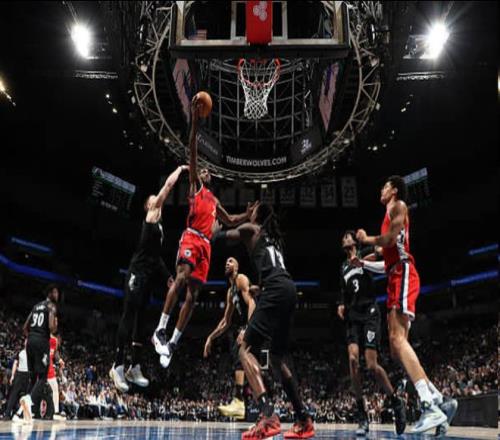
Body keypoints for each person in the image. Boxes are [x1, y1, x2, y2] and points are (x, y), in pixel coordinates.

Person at [153, 95, 257, 368]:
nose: (206, 171)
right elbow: (192, 150)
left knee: (193, 296)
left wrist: (247, 215)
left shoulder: (214, 201)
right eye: (204, 170)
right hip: (191, 237)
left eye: (209, 171)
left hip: (206, 247)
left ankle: (172, 342)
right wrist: (196, 124)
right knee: (181, 277)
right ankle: (160, 328)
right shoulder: (196, 187)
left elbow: (231, 219)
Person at [356, 176, 457, 434]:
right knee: (395, 348)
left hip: (403, 273)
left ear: (394, 190)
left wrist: (366, 239)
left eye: (384, 186)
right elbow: (385, 260)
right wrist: (363, 263)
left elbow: (390, 241)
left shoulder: (399, 206)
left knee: (397, 340)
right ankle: (440, 401)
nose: (381, 189)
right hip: (394, 275)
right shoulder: (388, 214)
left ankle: (428, 406)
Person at [215, 202, 314, 440]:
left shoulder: (252, 228)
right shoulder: (274, 240)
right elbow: (273, 268)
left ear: (257, 215)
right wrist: (262, 287)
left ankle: (268, 416)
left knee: (245, 350)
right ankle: (303, 420)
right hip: (289, 289)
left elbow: (220, 238)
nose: (249, 207)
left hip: (276, 290)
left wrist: (215, 229)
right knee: (277, 358)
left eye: (253, 207)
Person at [109, 164, 187, 392]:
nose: (158, 202)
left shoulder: (159, 229)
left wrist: (168, 277)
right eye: (154, 200)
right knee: (129, 315)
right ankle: (117, 365)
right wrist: (180, 169)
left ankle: (134, 366)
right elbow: (167, 187)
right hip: (137, 273)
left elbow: (156, 257)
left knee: (141, 322)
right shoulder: (151, 217)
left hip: (148, 278)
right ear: (148, 207)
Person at [338, 231, 406, 435]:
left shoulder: (365, 253)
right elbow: (344, 292)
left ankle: (395, 401)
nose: (345, 239)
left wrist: (376, 246)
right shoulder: (343, 267)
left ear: (354, 241)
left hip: (369, 312)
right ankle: (362, 414)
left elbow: (383, 252)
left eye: (347, 236)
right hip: (353, 315)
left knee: (371, 365)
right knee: (352, 360)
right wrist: (341, 304)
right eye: (343, 238)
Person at [203, 257, 255, 420]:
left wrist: (247, 329)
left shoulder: (241, 279)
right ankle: (245, 403)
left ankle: (239, 401)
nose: (227, 263)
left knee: (241, 353)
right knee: (240, 357)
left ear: (237, 267)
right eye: (225, 261)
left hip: (256, 324)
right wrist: (210, 337)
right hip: (247, 328)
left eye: (231, 261)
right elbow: (226, 321)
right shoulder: (230, 292)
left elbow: (252, 303)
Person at [19, 284, 59, 423]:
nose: (57, 295)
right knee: (42, 377)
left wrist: (32, 337)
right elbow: (51, 328)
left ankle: (21, 413)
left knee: (33, 378)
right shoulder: (51, 306)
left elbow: (25, 327)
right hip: (42, 342)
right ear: (50, 293)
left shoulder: (36, 306)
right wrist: (55, 324)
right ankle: (28, 400)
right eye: (55, 292)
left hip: (30, 341)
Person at [4, 340, 29, 420]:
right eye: (26, 342)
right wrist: (12, 376)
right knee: (13, 394)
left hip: (28, 375)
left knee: (25, 396)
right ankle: (7, 414)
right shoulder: (20, 352)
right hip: (19, 374)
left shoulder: (33, 353)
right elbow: (15, 363)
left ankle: (22, 414)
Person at [47, 333, 65, 420]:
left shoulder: (54, 341)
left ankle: (56, 412)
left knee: (55, 388)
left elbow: (55, 352)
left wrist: (59, 359)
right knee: (35, 389)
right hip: (42, 364)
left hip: (48, 365)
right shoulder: (45, 338)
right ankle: (19, 412)